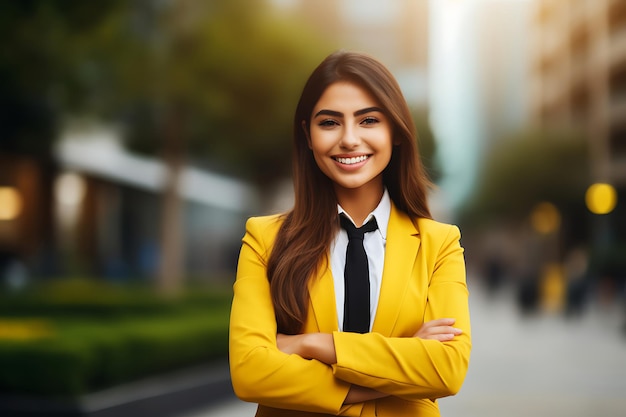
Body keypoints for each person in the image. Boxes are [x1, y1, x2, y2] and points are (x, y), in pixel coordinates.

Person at [229, 50, 471, 416]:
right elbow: (250, 373)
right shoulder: (265, 239)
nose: (349, 139)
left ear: (396, 131)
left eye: (368, 120)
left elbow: (445, 370)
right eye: (329, 123)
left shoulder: (440, 245)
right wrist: (399, 366)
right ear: (308, 135)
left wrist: (311, 344)